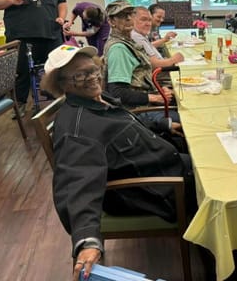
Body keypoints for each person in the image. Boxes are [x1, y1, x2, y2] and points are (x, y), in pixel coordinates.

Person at [39, 44, 194, 281]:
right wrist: (87, 240)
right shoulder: (78, 130)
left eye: (93, 70)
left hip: (163, 164)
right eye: (80, 75)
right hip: (159, 188)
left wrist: (162, 124)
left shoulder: (97, 100)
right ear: (61, 84)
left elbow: (124, 122)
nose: (93, 78)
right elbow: (77, 182)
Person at [0, 0, 67, 118]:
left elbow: (62, 1)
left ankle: (60, 99)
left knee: (56, 68)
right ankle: (20, 103)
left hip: (51, 33)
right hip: (23, 35)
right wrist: (10, 0)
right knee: (22, 71)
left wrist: (62, 18)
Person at [103, 0, 183, 134]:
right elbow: (117, 92)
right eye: (122, 16)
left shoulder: (128, 42)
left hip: (149, 100)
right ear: (111, 21)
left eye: (130, 14)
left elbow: (141, 76)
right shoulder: (119, 49)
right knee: (192, 119)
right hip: (139, 112)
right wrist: (155, 97)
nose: (128, 18)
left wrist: (158, 89)